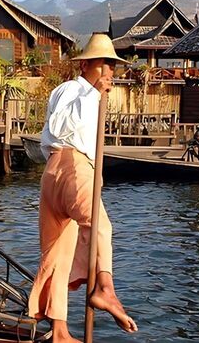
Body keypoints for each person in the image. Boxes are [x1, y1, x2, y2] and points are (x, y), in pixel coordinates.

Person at [31, 33, 138, 341]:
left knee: (58, 255)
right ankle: (105, 288)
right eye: (105, 64)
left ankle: (60, 331)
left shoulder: (88, 94)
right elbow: (59, 128)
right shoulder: (73, 90)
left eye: (113, 66)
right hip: (70, 166)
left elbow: (48, 140)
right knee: (100, 226)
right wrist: (93, 96)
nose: (110, 72)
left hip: (57, 170)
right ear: (88, 64)